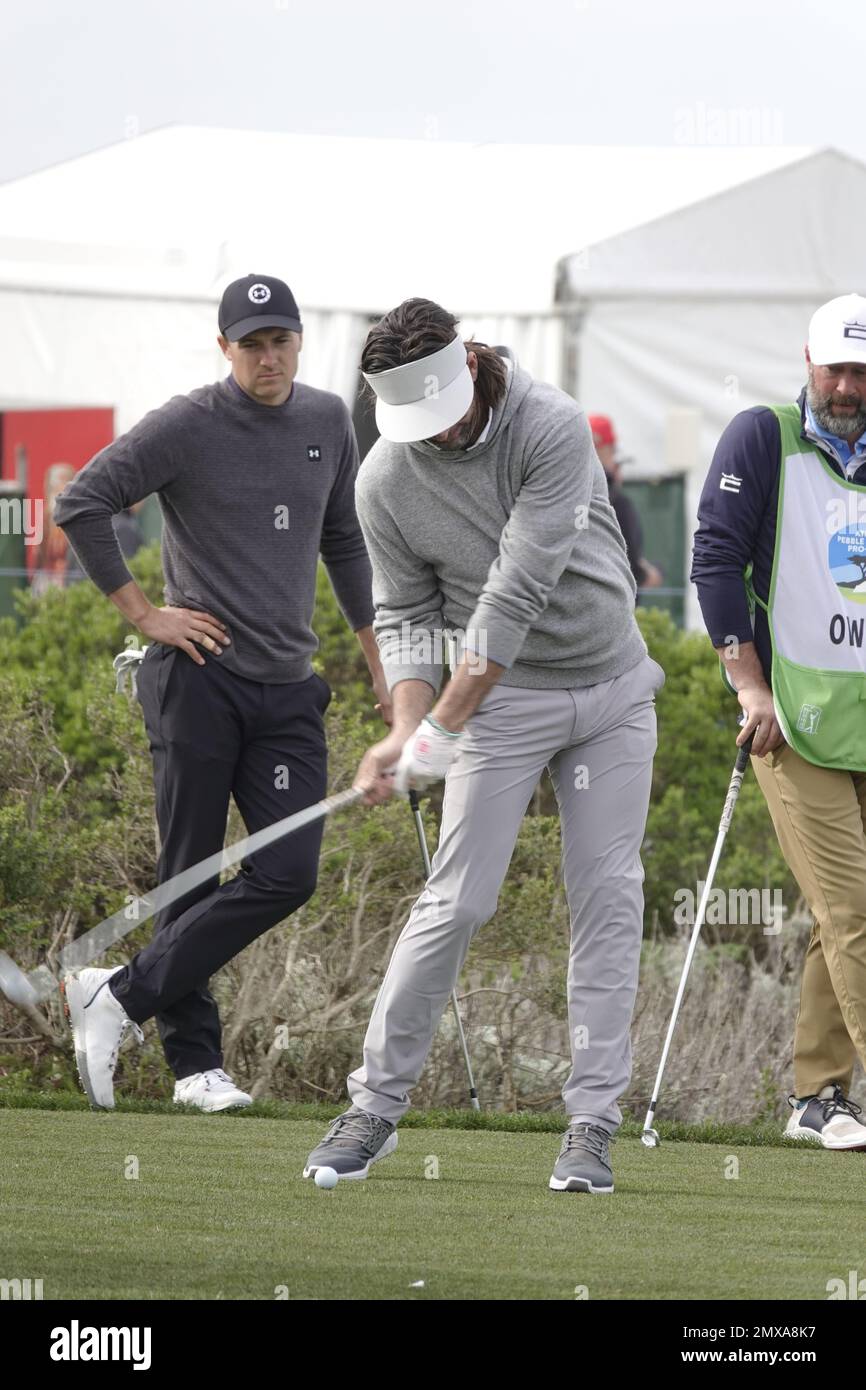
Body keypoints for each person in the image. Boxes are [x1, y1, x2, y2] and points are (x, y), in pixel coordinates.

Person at [303, 298, 665, 1193]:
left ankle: (590, 1125)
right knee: (457, 899)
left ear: (471, 361)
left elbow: (513, 596)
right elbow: (408, 618)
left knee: (607, 901)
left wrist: (441, 725)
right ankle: (374, 1110)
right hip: (506, 706)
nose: (443, 433)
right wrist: (403, 728)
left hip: (610, 688)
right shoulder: (384, 479)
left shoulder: (551, 425)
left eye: (450, 409)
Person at [54, 273, 388, 1112]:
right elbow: (80, 503)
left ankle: (120, 994)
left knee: (287, 872)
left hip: (288, 691)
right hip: (198, 681)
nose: (268, 357)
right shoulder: (187, 423)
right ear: (225, 347)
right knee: (190, 876)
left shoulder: (324, 420)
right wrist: (145, 614)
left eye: (281, 340)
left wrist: (380, 661)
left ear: (302, 341)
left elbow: (344, 539)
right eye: (252, 344)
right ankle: (196, 1069)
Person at [692, 291, 866, 1149]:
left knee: (841, 915)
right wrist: (747, 687)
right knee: (855, 907)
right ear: (808, 361)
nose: (846, 384)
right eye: (835, 366)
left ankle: (816, 1096)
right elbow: (716, 558)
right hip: (792, 720)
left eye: (861, 371)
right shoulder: (762, 435)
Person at [589, 415, 663, 592]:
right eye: (612, 451)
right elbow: (630, 566)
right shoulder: (616, 503)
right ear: (605, 450)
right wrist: (650, 573)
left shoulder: (566, 493)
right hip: (611, 606)